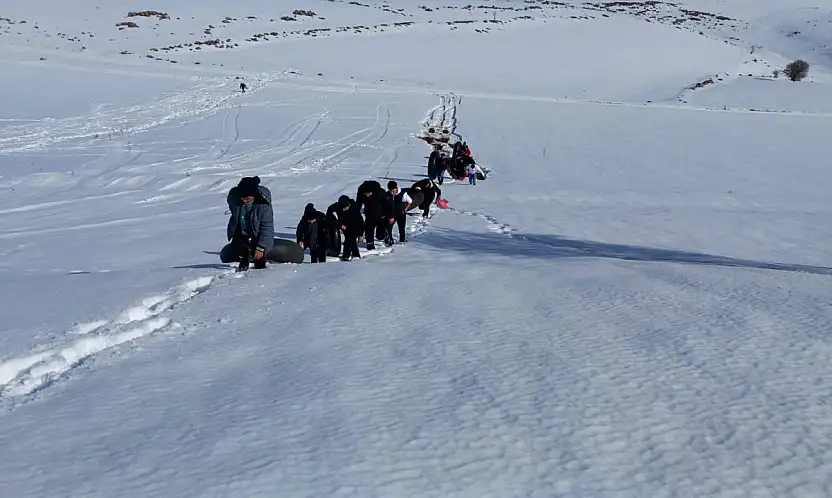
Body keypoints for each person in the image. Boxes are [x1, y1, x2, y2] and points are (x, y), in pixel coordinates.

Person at [222, 176, 274, 271]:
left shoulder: (264, 206)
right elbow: (234, 211)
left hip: (257, 233)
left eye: (248, 199)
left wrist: (261, 247)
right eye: (242, 198)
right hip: (241, 231)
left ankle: (261, 273)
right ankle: (242, 268)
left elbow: (267, 228)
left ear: (254, 195)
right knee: (239, 250)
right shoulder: (234, 199)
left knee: (258, 255)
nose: (244, 200)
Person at [355, 180, 395, 249]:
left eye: (369, 193)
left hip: (381, 215)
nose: (367, 195)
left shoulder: (381, 192)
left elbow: (389, 205)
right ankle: (370, 244)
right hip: (369, 215)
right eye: (365, 194)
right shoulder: (361, 192)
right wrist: (355, 214)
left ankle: (385, 235)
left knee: (379, 236)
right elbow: (358, 204)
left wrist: (390, 216)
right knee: (368, 230)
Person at [327, 195, 364, 260]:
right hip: (344, 226)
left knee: (350, 239)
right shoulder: (337, 206)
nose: (344, 209)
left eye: (346, 207)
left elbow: (360, 222)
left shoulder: (354, 208)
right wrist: (339, 224)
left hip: (355, 225)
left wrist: (361, 234)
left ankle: (349, 255)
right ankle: (352, 255)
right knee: (349, 240)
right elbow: (329, 212)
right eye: (343, 208)